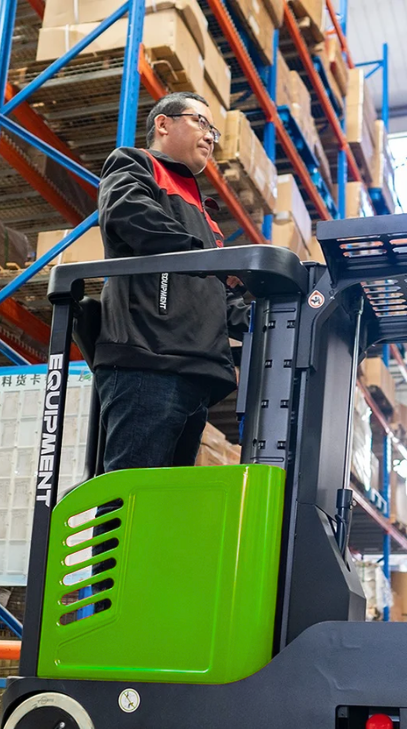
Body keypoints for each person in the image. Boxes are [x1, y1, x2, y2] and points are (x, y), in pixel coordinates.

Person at [93, 92, 250, 473]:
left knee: (167, 498)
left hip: (194, 373)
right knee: (133, 491)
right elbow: (130, 215)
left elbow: (217, 294)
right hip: (150, 359)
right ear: (163, 124)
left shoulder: (203, 215)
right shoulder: (136, 164)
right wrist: (207, 256)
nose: (210, 136)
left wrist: (271, 320)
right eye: (201, 122)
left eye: (214, 131)